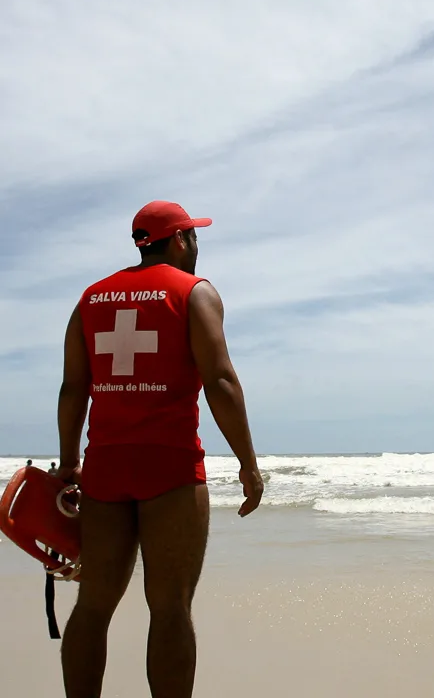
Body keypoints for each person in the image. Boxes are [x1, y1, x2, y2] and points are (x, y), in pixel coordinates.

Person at [55, 200, 263, 698]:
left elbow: (72, 387)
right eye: (193, 236)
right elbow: (220, 381)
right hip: (169, 466)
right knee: (170, 605)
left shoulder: (91, 298)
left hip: (106, 467)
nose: (196, 246)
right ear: (178, 240)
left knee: (93, 604)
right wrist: (248, 465)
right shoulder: (194, 292)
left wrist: (69, 464)